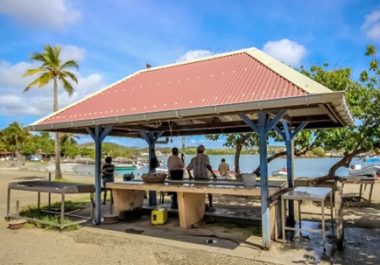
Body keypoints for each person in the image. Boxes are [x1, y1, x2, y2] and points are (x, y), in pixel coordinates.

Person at [186, 145, 217, 211]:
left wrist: (190, 176)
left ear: (197, 151)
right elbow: (208, 166)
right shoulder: (205, 157)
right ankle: (211, 205)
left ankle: (198, 206)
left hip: (196, 178)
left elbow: (188, 168)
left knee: (197, 192)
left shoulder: (193, 158)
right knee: (209, 191)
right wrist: (213, 174)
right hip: (204, 177)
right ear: (203, 151)